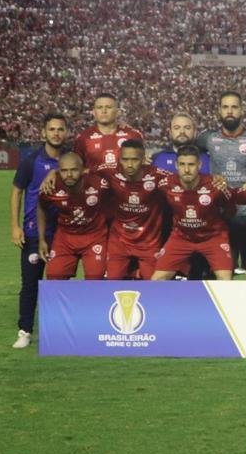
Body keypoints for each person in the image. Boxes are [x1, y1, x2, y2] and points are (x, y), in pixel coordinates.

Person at [9, 112, 69, 348]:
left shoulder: (72, 160)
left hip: (63, 232)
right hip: (34, 232)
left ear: (66, 133)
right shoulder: (31, 161)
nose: (56, 133)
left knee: (58, 283)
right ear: (44, 133)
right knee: (31, 284)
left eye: (60, 129)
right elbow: (16, 192)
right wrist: (15, 226)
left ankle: (59, 330)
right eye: (52, 129)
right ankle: (24, 331)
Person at [151, 145, 235, 281]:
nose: (186, 169)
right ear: (176, 165)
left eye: (191, 164)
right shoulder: (165, 184)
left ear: (199, 165)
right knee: (157, 279)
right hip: (181, 237)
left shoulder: (215, 185)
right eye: (182, 164)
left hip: (213, 237)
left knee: (225, 280)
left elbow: (231, 209)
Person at [199, 91, 246, 275]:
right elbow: (183, 148)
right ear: (219, 111)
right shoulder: (208, 138)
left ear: (241, 110)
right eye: (225, 107)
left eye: (234, 107)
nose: (230, 111)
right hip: (222, 217)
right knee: (224, 274)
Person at [37, 152, 111, 280]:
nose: (69, 175)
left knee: (96, 278)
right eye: (64, 171)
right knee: (54, 276)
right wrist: (42, 239)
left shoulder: (100, 184)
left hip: (94, 237)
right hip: (65, 238)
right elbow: (41, 207)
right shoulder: (51, 187)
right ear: (58, 171)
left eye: (74, 170)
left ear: (83, 170)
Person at [102, 139, 167, 280]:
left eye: (134, 160)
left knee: (153, 287)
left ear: (143, 159)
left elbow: (184, 180)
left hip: (149, 242)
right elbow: (81, 171)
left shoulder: (158, 176)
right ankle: (133, 275)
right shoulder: (109, 171)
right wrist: (53, 173)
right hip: (120, 240)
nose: (129, 165)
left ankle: (136, 275)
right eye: (125, 160)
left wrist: (215, 180)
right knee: (111, 283)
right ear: (119, 159)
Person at [73, 93, 142, 172]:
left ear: (118, 112)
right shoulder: (83, 138)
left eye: (108, 107)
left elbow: (142, 165)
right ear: (94, 112)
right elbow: (76, 170)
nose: (104, 111)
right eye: (99, 107)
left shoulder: (132, 135)